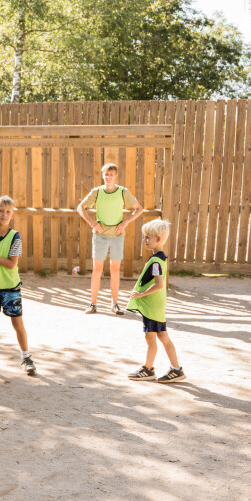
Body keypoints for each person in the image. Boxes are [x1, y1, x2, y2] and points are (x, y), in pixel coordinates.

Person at [0, 196, 36, 376]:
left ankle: (26, 357)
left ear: (12, 215)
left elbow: (12, 264)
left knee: (17, 324)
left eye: (8, 212)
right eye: (1, 211)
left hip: (11, 288)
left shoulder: (14, 236)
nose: (4, 214)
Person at [76, 163, 144, 314]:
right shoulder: (97, 192)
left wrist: (125, 222)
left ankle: (114, 304)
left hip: (117, 237)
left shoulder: (122, 192)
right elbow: (80, 207)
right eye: (106, 174)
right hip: (100, 236)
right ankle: (93, 304)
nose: (108, 177)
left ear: (116, 175)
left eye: (111, 174)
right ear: (102, 175)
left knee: (115, 269)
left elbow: (139, 209)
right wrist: (92, 223)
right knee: (97, 270)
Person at [125, 219, 186, 383]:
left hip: (152, 306)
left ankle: (149, 369)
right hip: (156, 306)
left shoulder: (156, 262)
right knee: (161, 336)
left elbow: (159, 284)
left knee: (152, 338)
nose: (144, 240)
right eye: (144, 237)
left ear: (158, 239)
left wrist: (141, 294)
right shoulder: (160, 258)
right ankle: (175, 369)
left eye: (148, 237)